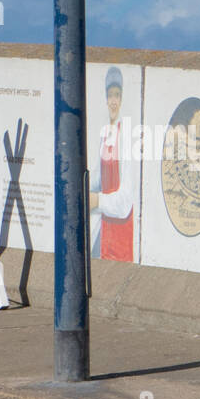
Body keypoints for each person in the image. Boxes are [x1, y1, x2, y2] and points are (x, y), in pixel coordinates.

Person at [89, 66, 136, 262]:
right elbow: (96, 182)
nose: (114, 100)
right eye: (110, 95)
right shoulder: (106, 134)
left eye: (117, 94)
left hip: (120, 241)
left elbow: (125, 202)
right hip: (104, 235)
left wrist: (97, 201)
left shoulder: (127, 137)